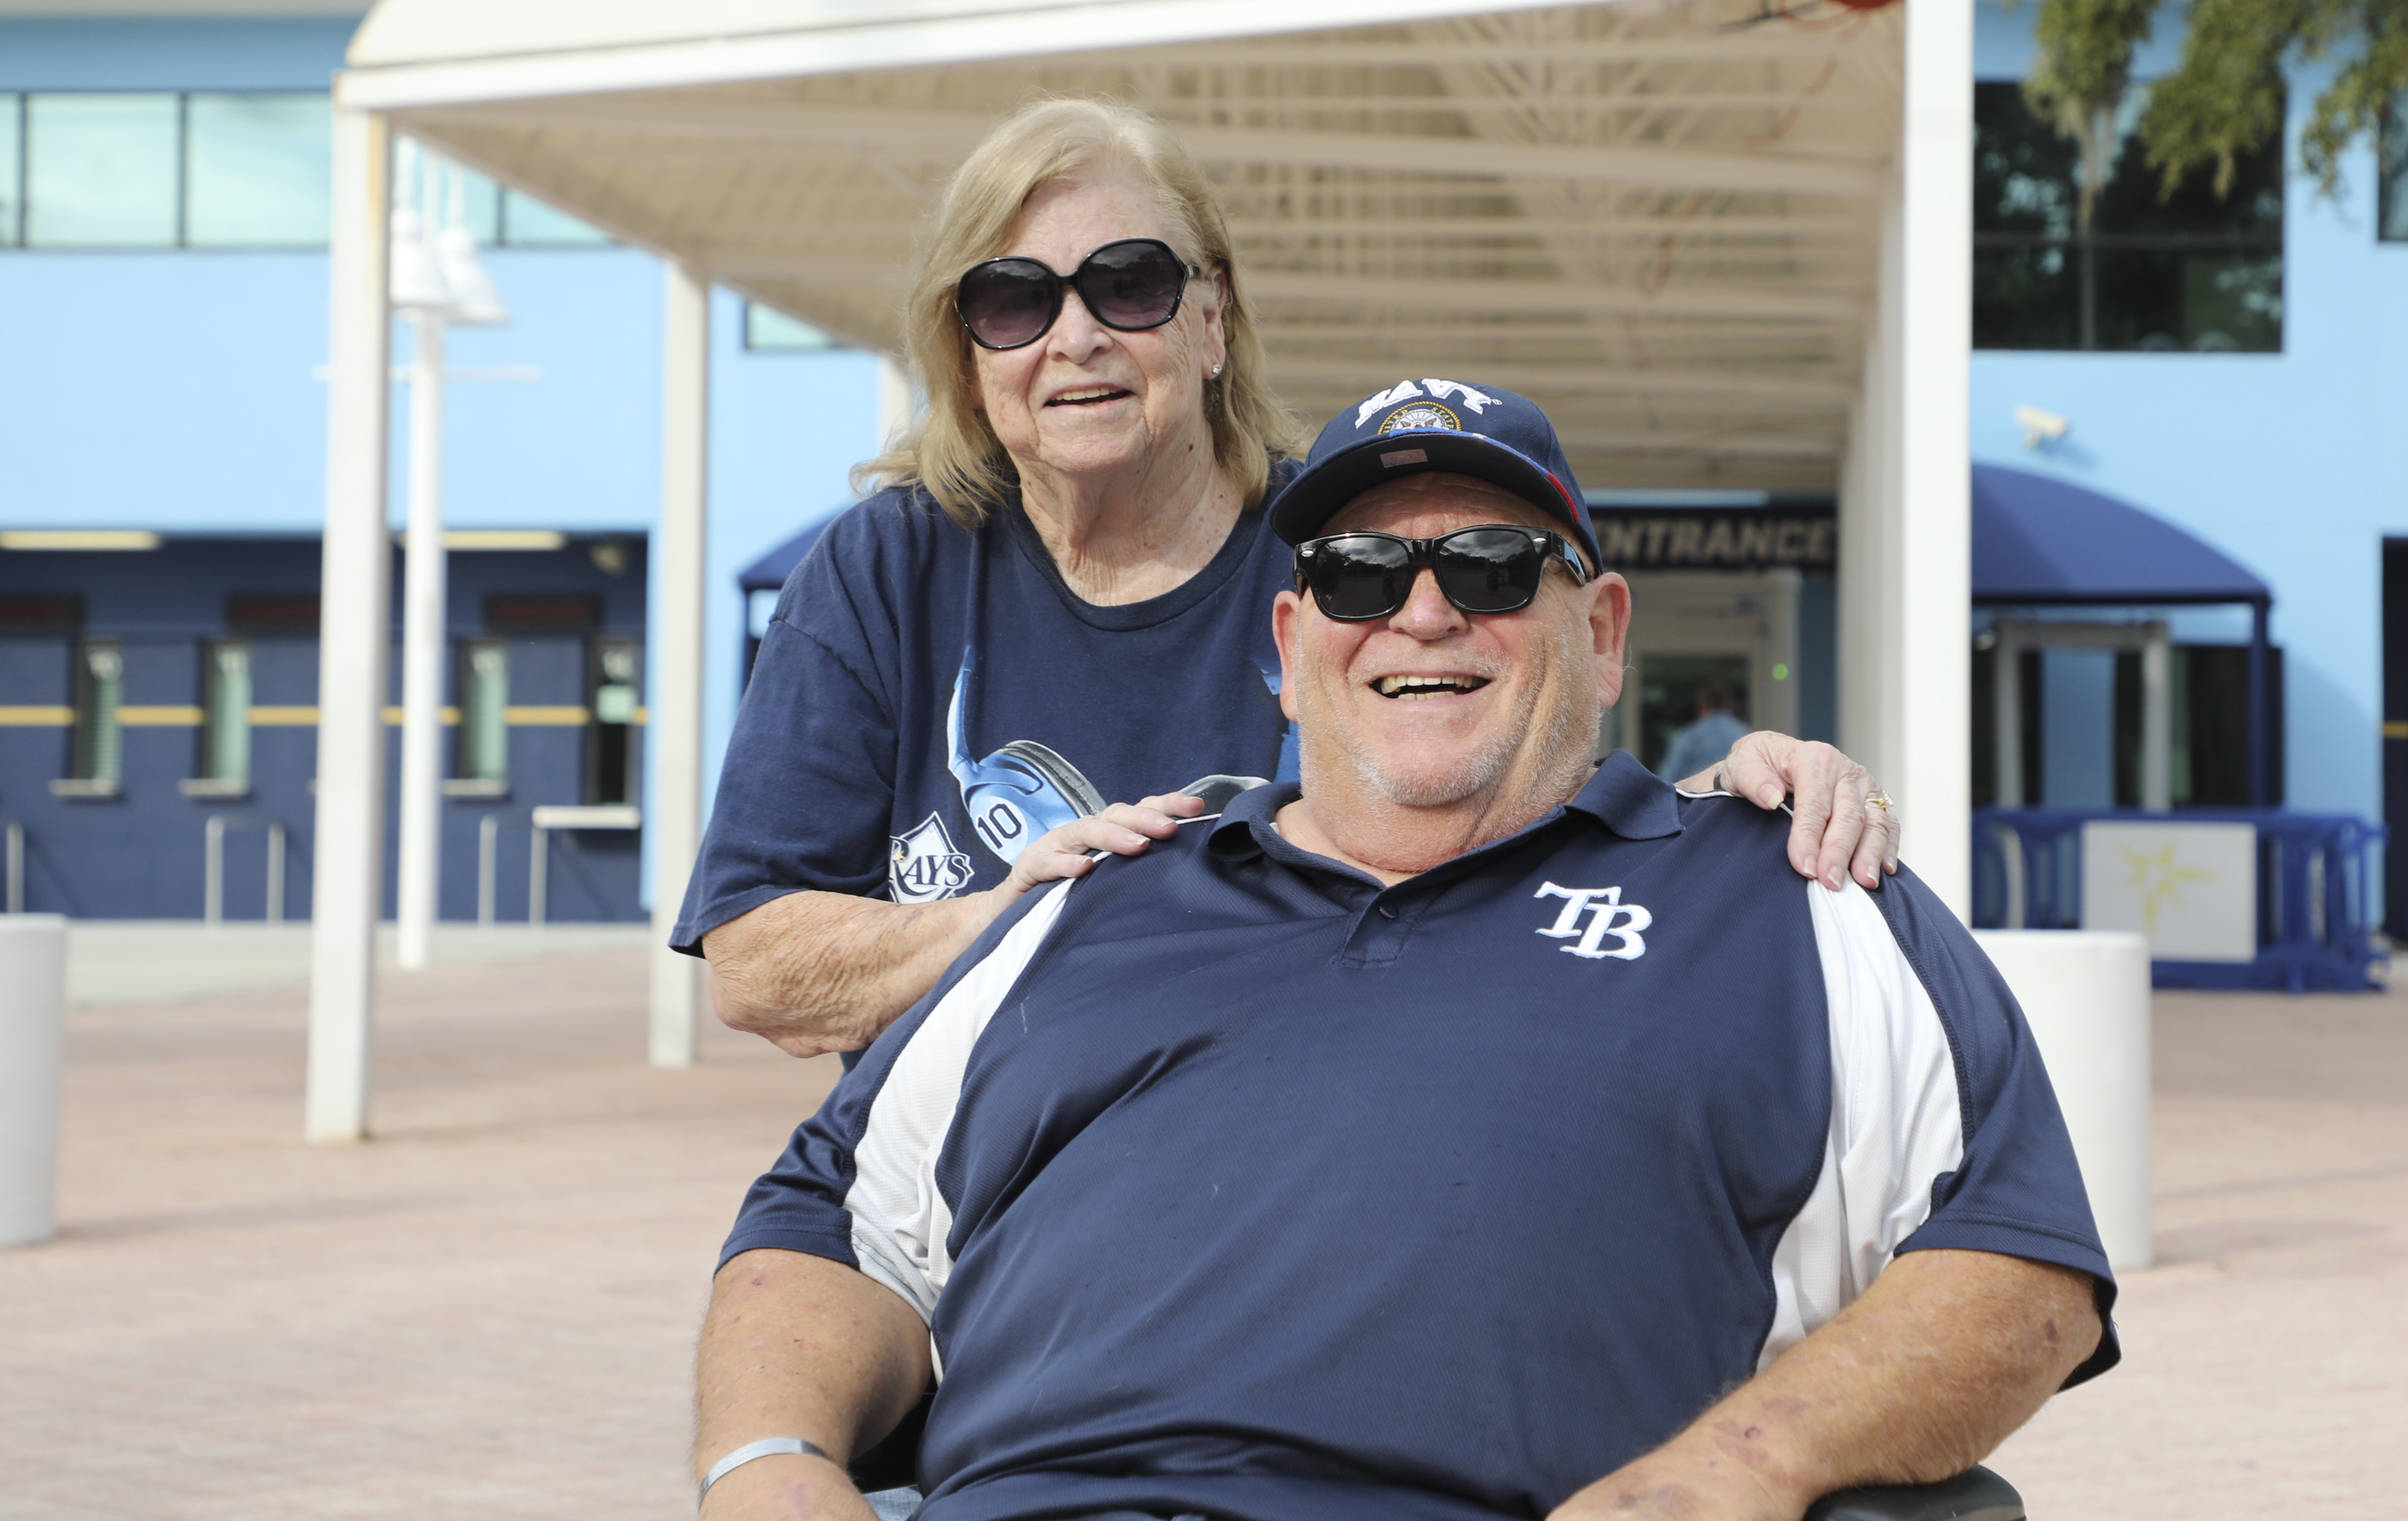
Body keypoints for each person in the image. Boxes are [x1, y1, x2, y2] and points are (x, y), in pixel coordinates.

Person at [692, 382, 2118, 1521]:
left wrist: (1740, 1465)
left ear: (1602, 631)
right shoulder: (1097, 891)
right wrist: (765, 1460)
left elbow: (2015, 1265)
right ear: (1289, 638)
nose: (1422, 610)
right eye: (1361, 570)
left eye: (1493, 563)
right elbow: (829, 1220)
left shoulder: (1789, 891)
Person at [674, 96, 1902, 1059]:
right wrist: (1010, 916)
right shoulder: (888, 563)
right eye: (1013, 300)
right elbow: (758, 965)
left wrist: (1736, 815)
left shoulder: (1352, 551)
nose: (1077, 335)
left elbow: (1516, 838)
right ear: (966, 348)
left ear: (1212, 320)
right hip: (960, 1193)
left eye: (1131, 283)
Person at [1656, 679, 1751, 784]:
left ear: (1702, 706)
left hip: (1696, 797)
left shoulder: (1687, 737)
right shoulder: (1744, 735)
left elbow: (1667, 779)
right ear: (1730, 705)